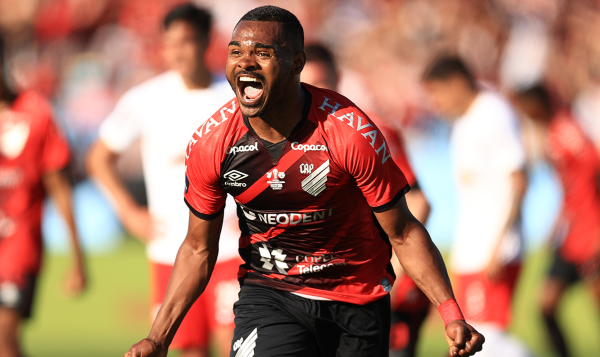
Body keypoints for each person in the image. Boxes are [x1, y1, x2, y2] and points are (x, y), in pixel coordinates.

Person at [125, 6, 485, 357]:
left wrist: (451, 313)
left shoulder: (349, 134)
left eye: (262, 53)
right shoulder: (212, 143)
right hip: (270, 294)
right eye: (236, 52)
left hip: (356, 298)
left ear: (296, 64)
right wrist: (158, 338)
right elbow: (197, 248)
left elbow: (403, 232)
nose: (245, 62)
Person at [86, 4, 239, 357]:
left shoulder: (232, 97)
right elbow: (98, 158)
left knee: (236, 346)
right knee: (188, 350)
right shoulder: (146, 98)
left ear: (206, 42)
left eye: (185, 41)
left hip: (231, 245)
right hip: (169, 249)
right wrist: (127, 211)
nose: (176, 51)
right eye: (169, 43)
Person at [301, 42, 432, 357]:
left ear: (339, 79)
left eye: (324, 84)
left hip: (382, 283)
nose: (317, 94)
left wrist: (398, 271)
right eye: (308, 86)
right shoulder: (294, 139)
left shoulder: (370, 130)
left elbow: (418, 202)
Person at [422, 56, 530, 357]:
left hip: (491, 249)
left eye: (438, 93)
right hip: (473, 250)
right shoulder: (464, 123)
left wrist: (499, 244)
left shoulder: (492, 113)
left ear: (457, 82)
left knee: (485, 338)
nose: (436, 103)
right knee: (473, 339)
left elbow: (519, 179)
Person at [0, 36, 86, 357]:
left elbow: (60, 188)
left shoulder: (35, 112)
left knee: (3, 338)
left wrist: (77, 258)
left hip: (18, 244)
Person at [514, 84, 600, 357]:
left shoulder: (567, 130)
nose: (524, 113)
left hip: (592, 234)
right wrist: (558, 223)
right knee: (545, 304)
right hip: (572, 237)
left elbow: (594, 169)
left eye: (525, 107)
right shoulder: (552, 133)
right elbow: (571, 187)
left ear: (537, 104)